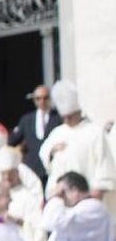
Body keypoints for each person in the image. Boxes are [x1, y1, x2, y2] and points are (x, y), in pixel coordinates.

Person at [40, 81, 116, 215]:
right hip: (63, 203)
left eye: (70, 116)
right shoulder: (57, 133)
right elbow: (44, 154)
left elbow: (105, 166)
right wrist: (51, 151)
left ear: (79, 112)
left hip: (89, 201)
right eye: (64, 117)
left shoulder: (95, 132)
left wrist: (94, 194)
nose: (67, 120)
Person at [13, 85, 61, 185]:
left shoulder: (58, 118)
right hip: (31, 168)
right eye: (38, 98)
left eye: (45, 98)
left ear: (50, 98)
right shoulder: (26, 119)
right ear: (34, 100)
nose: (42, 101)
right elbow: (13, 139)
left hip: (51, 167)